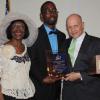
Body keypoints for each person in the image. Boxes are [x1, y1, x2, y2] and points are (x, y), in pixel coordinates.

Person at [28, 1, 66, 100]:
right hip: (39, 87)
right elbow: (29, 59)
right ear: (41, 16)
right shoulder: (34, 34)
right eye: (48, 11)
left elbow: (61, 58)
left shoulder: (62, 36)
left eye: (54, 10)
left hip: (56, 87)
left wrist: (62, 72)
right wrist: (42, 78)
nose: (52, 12)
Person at [0, 12, 38, 100]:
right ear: (10, 30)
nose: (18, 29)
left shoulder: (26, 48)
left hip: (28, 94)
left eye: (21, 26)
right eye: (14, 26)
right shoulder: (2, 50)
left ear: (25, 30)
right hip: (8, 94)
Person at [62, 13, 100, 100]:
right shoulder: (64, 43)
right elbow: (62, 65)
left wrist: (80, 75)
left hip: (89, 94)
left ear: (83, 25)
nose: (72, 30)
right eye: (69, 27)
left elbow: (98, 70)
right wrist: (56, 70)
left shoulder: (96, 43)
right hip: (68, 94)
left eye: (75, 26)